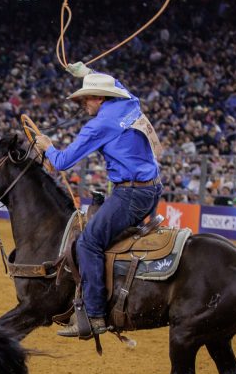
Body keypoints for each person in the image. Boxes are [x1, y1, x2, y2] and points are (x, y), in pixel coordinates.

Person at [33, 65, 162, 338]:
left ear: (100, 98)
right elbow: (116, 82)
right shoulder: (128, 102)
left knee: (89, 241)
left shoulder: (99, 125)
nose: (82, 104)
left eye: (86, 98)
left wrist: (47, 146)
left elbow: (62, 162)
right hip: (150, 189)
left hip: (131, 195)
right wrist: (85, 72)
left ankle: (94, 316)